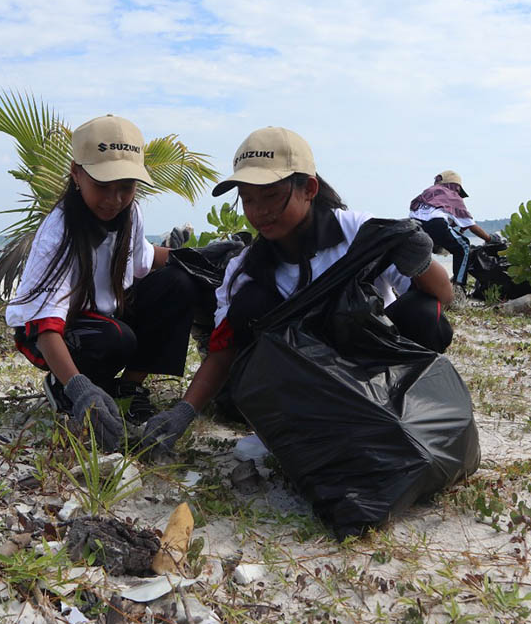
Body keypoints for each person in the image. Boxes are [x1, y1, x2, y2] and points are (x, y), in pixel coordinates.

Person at [138, 127, 454, 459]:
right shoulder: (243, 270)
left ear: (309, 189)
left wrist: (419, 262)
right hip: (302, 385)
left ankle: (404, 411)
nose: (259, 211)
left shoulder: (360, 234)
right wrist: (184, 412)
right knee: (250, 306)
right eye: (248, 199)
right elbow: (224, 352)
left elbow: (441, 296)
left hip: (372, 371)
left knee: (423, 313)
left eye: (271, 196)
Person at [6, 114, 200, 450]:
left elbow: (144, 260)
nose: (114, 199)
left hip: (103, 316)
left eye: (125, 187)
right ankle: (65, 385)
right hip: (47, 333)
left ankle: (128, 388)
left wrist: (201, 258)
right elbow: (45, 325)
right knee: (115, 339)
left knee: (180, 283)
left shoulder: (131, 214)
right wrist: (80, 389)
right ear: (76, 173)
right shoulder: (60, 233)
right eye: (103, 186)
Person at [408, 171, 499, 291]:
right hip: (436, 225)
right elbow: (472, 226)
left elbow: (429, 214)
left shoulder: (428, 192)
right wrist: (489, 239)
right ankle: (459, 287)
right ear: (454, 186)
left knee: (421, 255)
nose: (458, 194)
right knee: (464, 246)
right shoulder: (451, 195)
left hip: (413, 226)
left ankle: (415, 286)